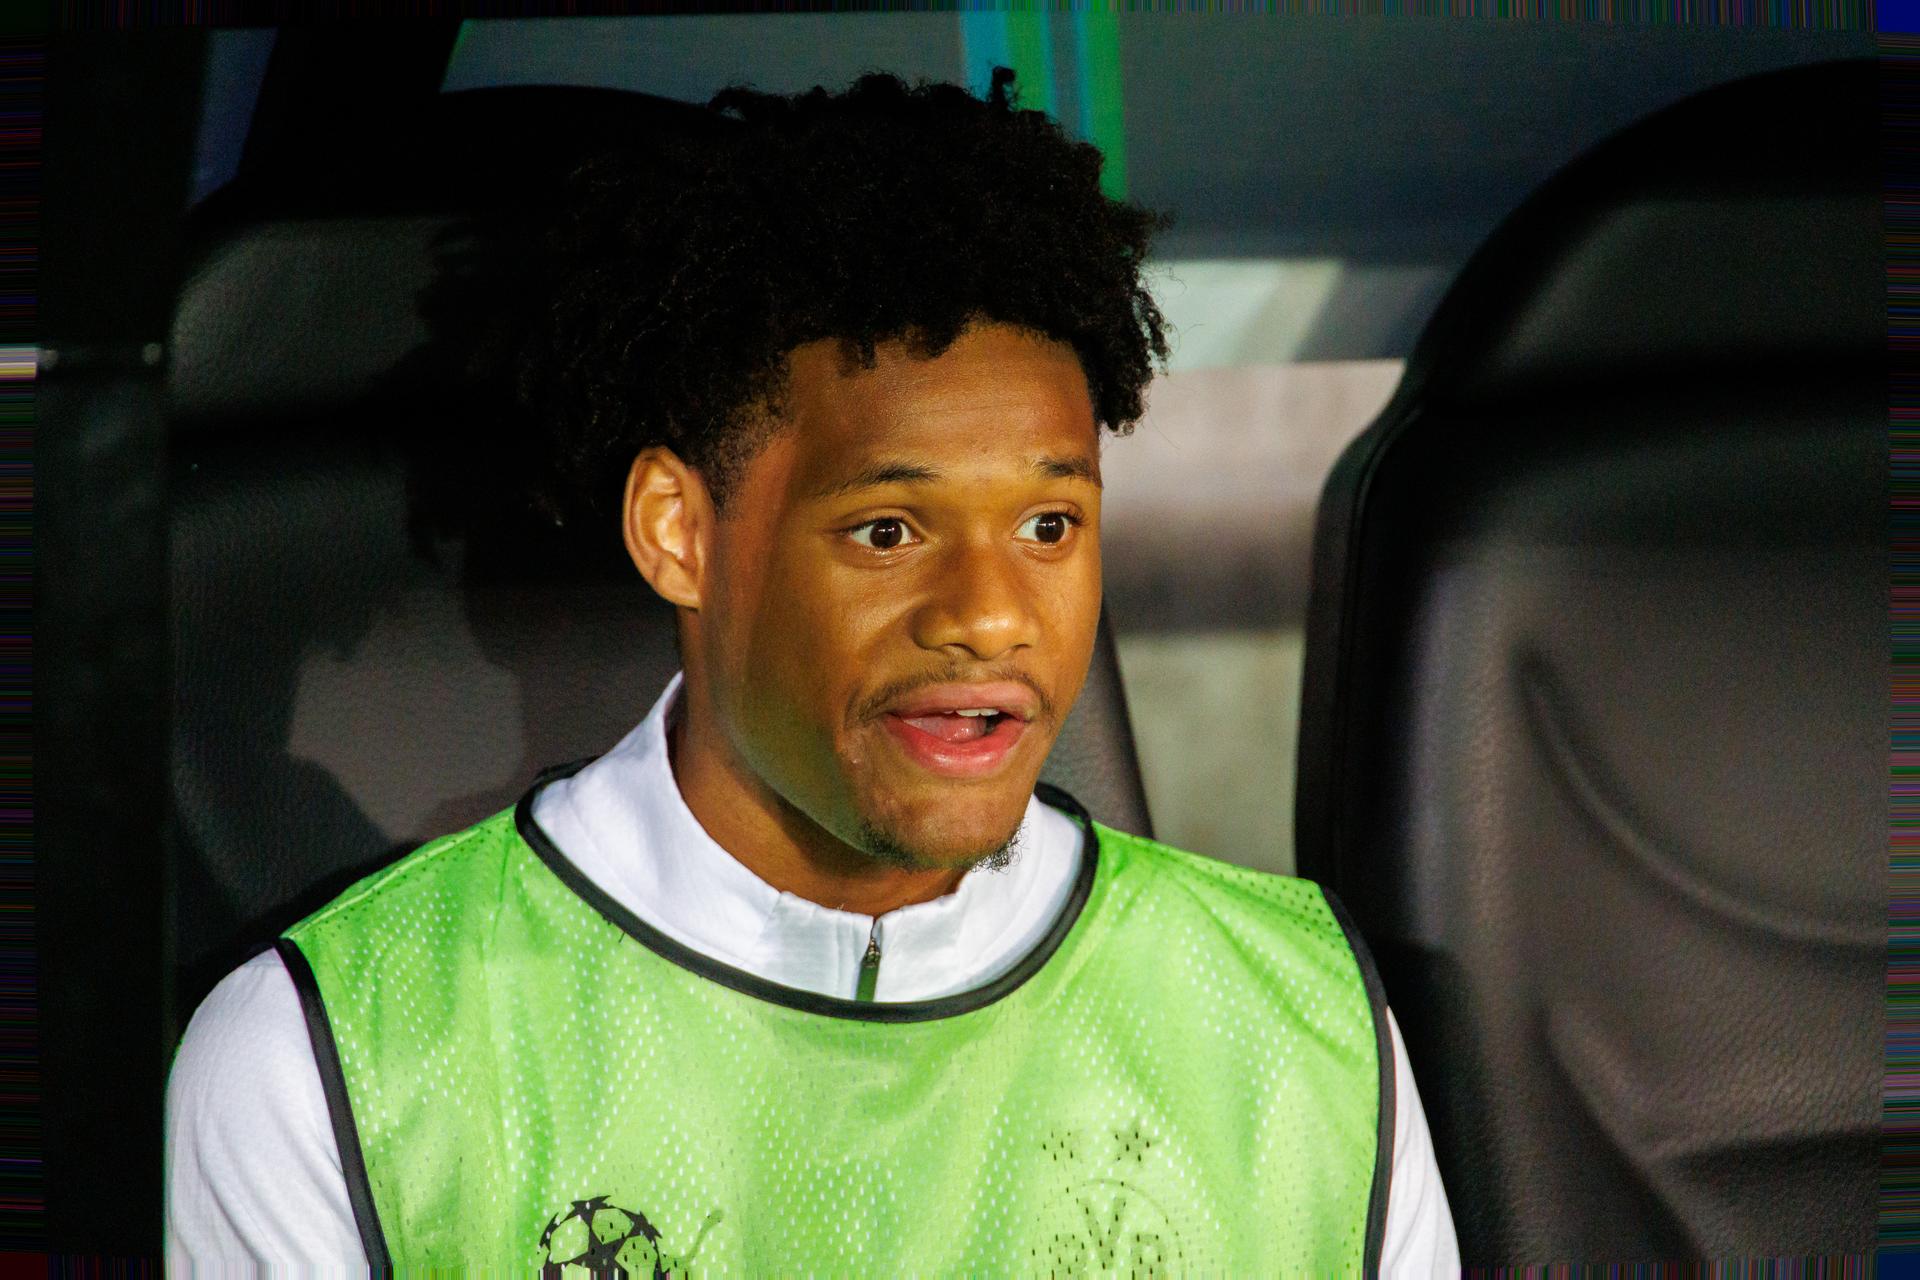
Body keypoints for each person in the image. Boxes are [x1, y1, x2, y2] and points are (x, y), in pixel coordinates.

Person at [165, 67, 1458, 1275]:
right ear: (681, 532)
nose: (992, 618)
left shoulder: (1307, 1026)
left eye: (1050, 525)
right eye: (888, 532)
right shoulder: (334, 1062)